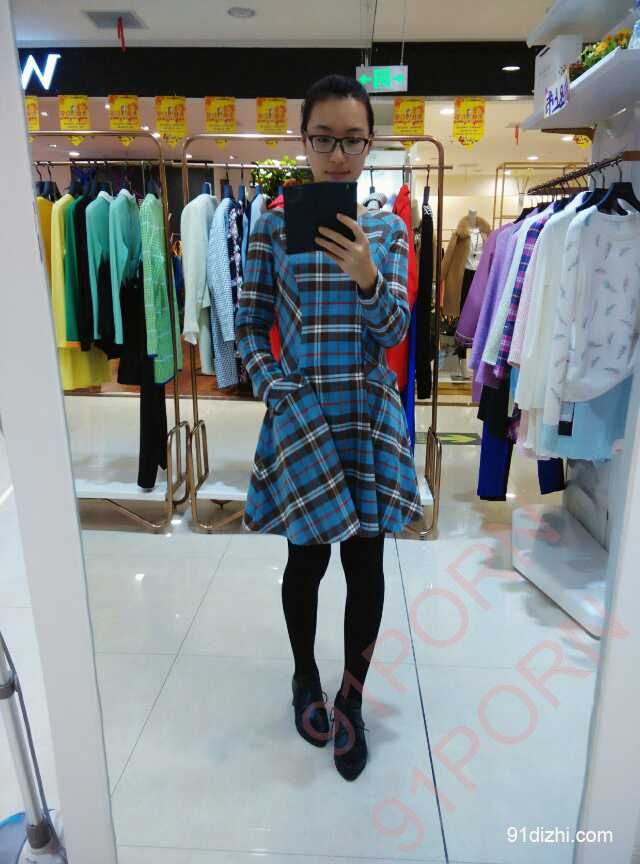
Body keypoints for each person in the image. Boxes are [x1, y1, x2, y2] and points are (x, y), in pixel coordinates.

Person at [236, 74, 423, 782]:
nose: (337, 155)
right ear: (304, 141)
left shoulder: (389, 231)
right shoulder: (268, 226)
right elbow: (251, 326)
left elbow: (396, 331)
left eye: (352, 140)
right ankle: (303, 677)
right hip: (304, 417)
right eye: (324, 139)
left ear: (370, 146)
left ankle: (352, 698)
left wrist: (369, 275)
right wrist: (275, 388)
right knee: (306, 562)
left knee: (365, 566)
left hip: (367, 419)